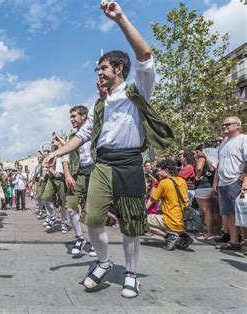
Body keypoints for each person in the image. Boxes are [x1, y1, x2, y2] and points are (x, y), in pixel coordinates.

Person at [44, 2, 173, 298]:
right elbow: (82, 135)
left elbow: (145, 55)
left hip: (129, 163)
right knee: (92, 219)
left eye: (103, 68)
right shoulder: (98, 104)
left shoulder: (137, 89)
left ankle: (130, 273)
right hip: (102, 165)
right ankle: (103, 262)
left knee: (130, 225)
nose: (99, 72)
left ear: (119, 69)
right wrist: (56, 152)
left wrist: (119, 18)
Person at [62, 105, 97, 256]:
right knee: (70, 208)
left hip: (95, 172)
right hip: (79, 173)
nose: (72, 120)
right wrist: (68, 175)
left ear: (84, 117)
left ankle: (95, 242)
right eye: (71, 117)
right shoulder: (72, 138)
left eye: (74, 116)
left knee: (93, 211)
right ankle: (79, 238)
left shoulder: (96, 133)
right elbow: (64, 157)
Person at [213, 116, 247, 253]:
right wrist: (216, 181)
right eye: (223, 124)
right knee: (228, 213)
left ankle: (245, 240)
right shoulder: (224, 143)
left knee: (242, 212)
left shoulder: (243, 139)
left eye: (228, 124)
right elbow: (219, 164)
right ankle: (234, 240)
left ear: (238, 125)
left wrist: (244, 180)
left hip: (236, 181)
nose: (224, 126)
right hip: (223, 182)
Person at [145, 159, 194, 250]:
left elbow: (153, 200)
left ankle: (169, 236)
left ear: (166, 170)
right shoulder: (182, 181)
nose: (158, 172)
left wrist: (155, 186)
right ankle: (181, 236)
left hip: (171, 221)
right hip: (184, 221)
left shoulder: (164, 183)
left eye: (159, 170)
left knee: (143, 220)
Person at [193, 144, 220, 239]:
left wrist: (197, 177)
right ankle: (217, 232)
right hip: (212, 186)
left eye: (197, 152)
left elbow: (199, 168)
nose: (196, 154)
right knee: (213, 211)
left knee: (206, 211)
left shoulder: (202, 159)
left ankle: (209, 233)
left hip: (202, 187)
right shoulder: (213, 160)